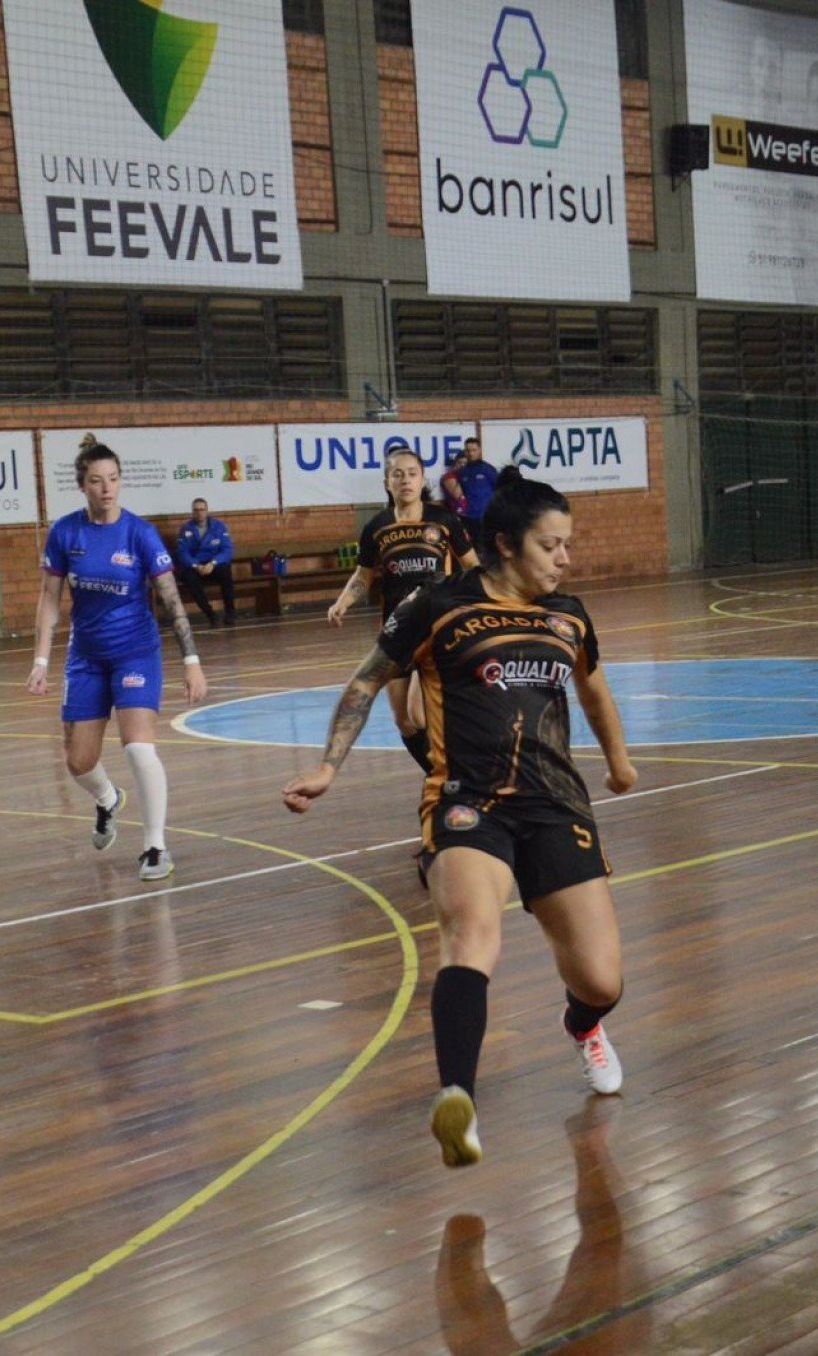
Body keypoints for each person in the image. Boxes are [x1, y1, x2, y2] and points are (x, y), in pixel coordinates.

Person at [283, 466, 639, 1168]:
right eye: (551, 545)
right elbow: (366, 681)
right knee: (472, 936)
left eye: (567, 544)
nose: (565, 558)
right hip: (467, 805)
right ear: (506, 544)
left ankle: (581, 1025)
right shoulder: (438, 608)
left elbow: (595, 693)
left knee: (602, 981)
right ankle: (458, 1101)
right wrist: (328, 766)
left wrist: (619, 762)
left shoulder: (568, 614)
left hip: (556, 805)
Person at [28, 436, 210, 882]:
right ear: (82, 486)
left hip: (135, 652)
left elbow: (170, 598)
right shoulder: (65, 533)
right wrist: (40, 660)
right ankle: (108, 799)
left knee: (139, 746)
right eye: (96, 481)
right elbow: (50, 598)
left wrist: (191, 660)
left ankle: (155, 847)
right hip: (86, 657)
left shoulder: (140, 534)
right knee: (78, 761)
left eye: (113, 479)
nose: (106, 488)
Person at [326, 445, 479, 783]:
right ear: (387, 482)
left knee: (417, 711)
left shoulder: (443, 520)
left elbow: (473, 568)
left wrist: (472, 603)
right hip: (397, 631)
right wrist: (343, 602)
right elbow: (364, 575)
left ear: (423, 479)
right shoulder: (377, 527)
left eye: (412, 473)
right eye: (398, 474)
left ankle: (455, 778)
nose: (405, 480)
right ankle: (445, 779)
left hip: (438, 627)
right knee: (404, 720)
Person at [174, 497, 237, 627]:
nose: (199, 513)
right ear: (192, 512)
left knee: (226, 574)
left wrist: (213, 563)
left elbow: (227, 551)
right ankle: (210, 614)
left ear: (207, 510)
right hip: (195, 567)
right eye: (196, 510)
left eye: (202, 509)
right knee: (189, 579)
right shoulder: (186, 529)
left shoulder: (219, 527)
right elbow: (182, 553)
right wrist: (196, 565)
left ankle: (230, 614)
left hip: (214, 565)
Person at [448, 437, 500, 556]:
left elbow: (499, 490)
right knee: (475, 548)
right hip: (470, 518)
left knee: (490, 548)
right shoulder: (464, 472)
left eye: (474, 450)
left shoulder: (488, 469)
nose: (471, 453)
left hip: (487, 517)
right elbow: (461, 494)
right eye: (468, 450)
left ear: (480, 450)